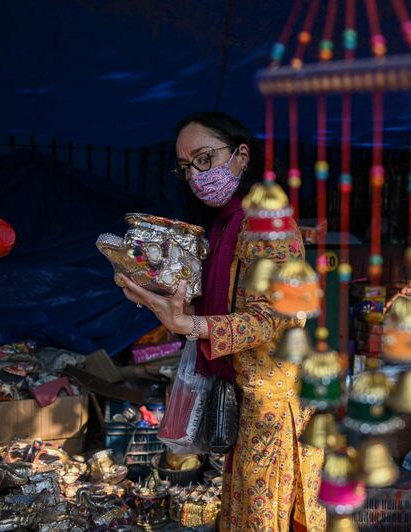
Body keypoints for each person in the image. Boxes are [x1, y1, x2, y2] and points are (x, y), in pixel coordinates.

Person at [119, 112, 325, 531]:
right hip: (242, 394)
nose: (195, 175)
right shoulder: (224, 225)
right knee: (240, 512)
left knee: (263, 518)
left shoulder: (269, 223)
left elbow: (275, 318)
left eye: (204, 158)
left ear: (241, 156)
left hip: (272, 401)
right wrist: (164, 298)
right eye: (185, 166)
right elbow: (225, 306)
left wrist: (188, 326)